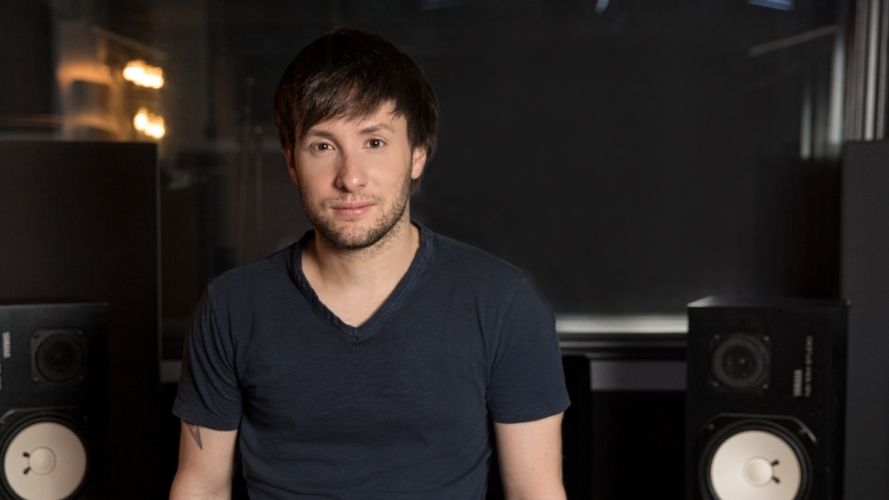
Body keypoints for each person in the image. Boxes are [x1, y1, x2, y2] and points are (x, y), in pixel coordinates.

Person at [169, 27, 570, 500]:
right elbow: (201, 486)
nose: (350, 178)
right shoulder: (231, 307)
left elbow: (534, 490)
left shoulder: (504, 303)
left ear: (417, 154)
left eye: (374, 142)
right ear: (292, 163)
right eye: (323, 146)